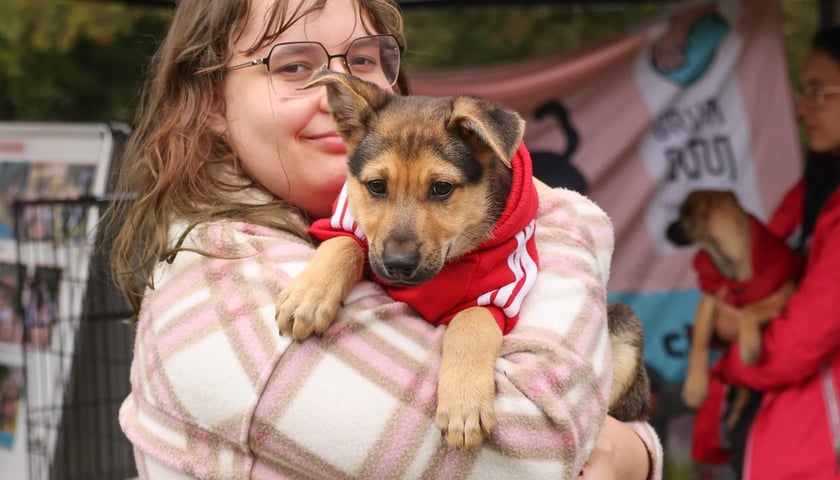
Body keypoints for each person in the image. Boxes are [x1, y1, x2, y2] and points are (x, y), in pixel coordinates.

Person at [108, 0, 663, 478]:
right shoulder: (228, 292)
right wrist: (569, 222)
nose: (340, 92)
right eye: (292, 64)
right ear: (209, 101)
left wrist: (636, 448)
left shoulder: (317, 220)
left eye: (366, 59)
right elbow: (534, 454)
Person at [711, 24, 840, 480]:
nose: (804, 109)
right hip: (788, 441)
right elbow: (739, 274)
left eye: (819, 92)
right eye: (803, 92)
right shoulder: (812, 192)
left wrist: (729, 361)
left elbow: (799, 341)